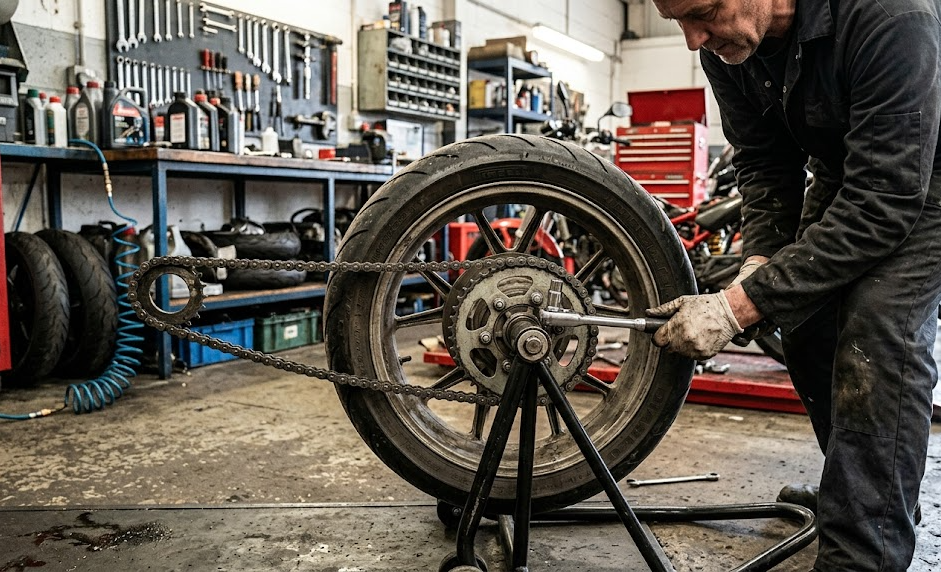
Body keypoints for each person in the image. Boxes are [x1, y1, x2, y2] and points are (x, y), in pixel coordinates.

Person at [646, 0, 941, 569]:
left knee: (877, 331)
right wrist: (760, 264)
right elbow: (763, 164)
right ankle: (863, 498)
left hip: (923, 176)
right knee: (803, 322)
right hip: (849, 170)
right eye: (679, 21)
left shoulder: (890, 14)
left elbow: (885, 199)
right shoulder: (727, 44)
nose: (691, 39)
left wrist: (739, 306)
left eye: (702, 12)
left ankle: (864, 550)